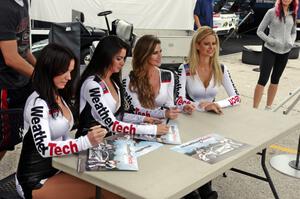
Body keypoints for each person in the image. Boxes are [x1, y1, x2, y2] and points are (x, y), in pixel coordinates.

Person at [15, 44, 118, 199]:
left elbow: (61, 137)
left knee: (111, 180)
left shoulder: (57, 94)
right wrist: (86, 142)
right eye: (64, 71)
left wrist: (90, 149)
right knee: (108, 190)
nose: (69, 77)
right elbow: (44, 147)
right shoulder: (37, 103)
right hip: (35, 181)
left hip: (59, 168)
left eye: (71, 71)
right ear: (49, 69)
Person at [75, 35, 169, 140]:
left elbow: (118, 116)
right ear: (105, 56)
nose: (123, 63)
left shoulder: (113, 82)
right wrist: (153, 130)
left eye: (124, 58)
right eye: (118, 58)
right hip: (90, 145)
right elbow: (112, 123)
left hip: (109, 140)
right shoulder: (92, 85)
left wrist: (144, 119)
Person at [122, 35, 193, 120]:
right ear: (144, 55)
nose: (160, 56)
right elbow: (136, 110)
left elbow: (169, 105)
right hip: (140, 125)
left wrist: (182, 108)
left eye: (160, 51)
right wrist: (163, 114)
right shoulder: (130, 79)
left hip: (163, 123)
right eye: (155, 53)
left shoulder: (168, 75)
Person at [176, 26, 240, 116]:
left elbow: (236, 98)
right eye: (206, 44)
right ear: (197, 45)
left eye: (214, 43)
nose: (211, 47)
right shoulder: (185, 68)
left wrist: (216, 104)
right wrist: (200, 106)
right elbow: (179, 100)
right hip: (191, 116)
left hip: (213, 114)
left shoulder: (221, 68)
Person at [0, 0, 36, 161]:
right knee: (2, 141)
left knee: (11, 138)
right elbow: (11, 58)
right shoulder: (4, 7)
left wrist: (44, 69)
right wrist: (42, 78)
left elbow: (24, 49)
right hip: (4, 85)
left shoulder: (23, 4)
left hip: (20, 82)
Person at [253, 0, 298, 109]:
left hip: (285, 51)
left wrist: (291, 41)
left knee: (275, 79)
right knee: (263, 79)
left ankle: (268, 107)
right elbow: (259, 31)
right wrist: (271, 41)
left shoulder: (293, 13)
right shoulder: (271, 12)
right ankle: (254, 108)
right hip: (270, 50)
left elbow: (293, 32)